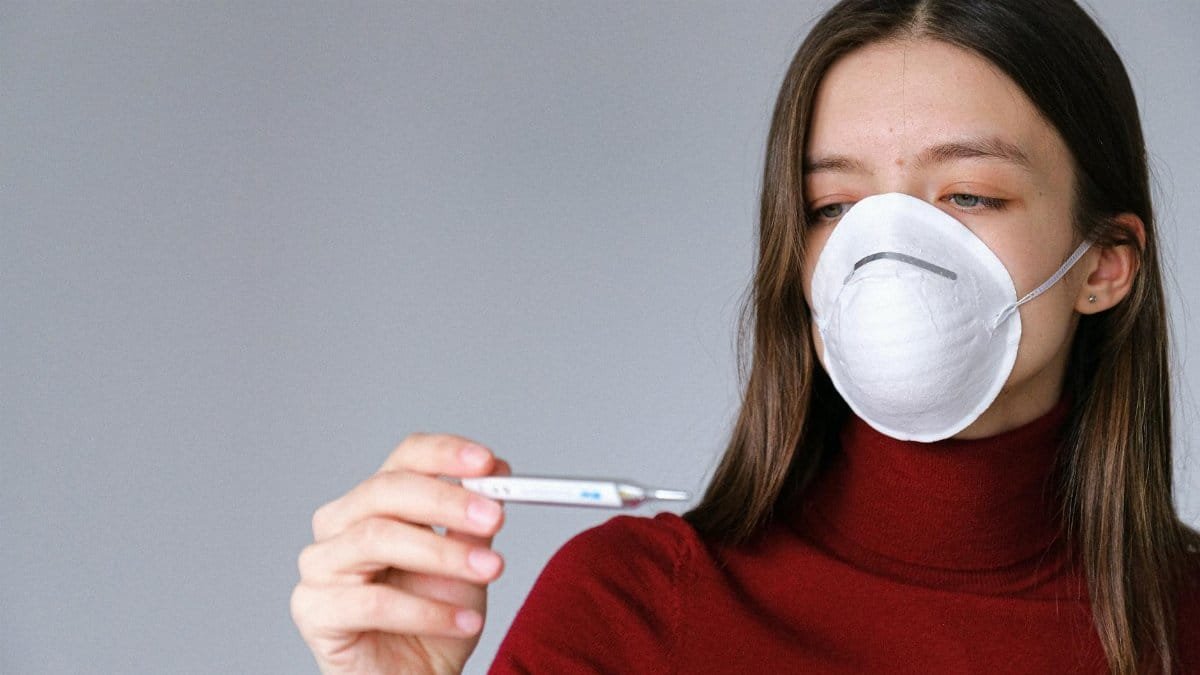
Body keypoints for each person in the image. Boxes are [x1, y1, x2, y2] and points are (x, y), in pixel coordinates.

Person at [290, 0, 1200, 672]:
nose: (887, 252)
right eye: (835, 205)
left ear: (1105, 264)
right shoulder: (632, 610)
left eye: (968, 194)